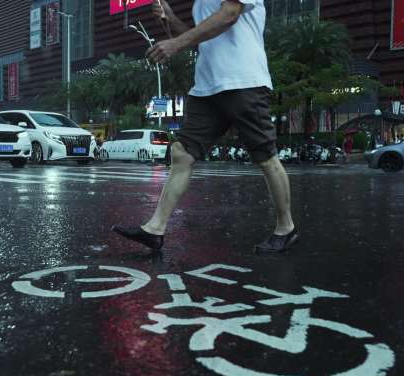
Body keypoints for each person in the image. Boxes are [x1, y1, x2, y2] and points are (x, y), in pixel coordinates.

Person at [111, 0, 298, 253]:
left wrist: (175, 43)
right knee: (182, 153)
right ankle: (155, 229)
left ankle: (286, 228)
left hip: (242, 81)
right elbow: (202, 38)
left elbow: (230, 14)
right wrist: (172, 18)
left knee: (265, 157)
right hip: (207, 86)